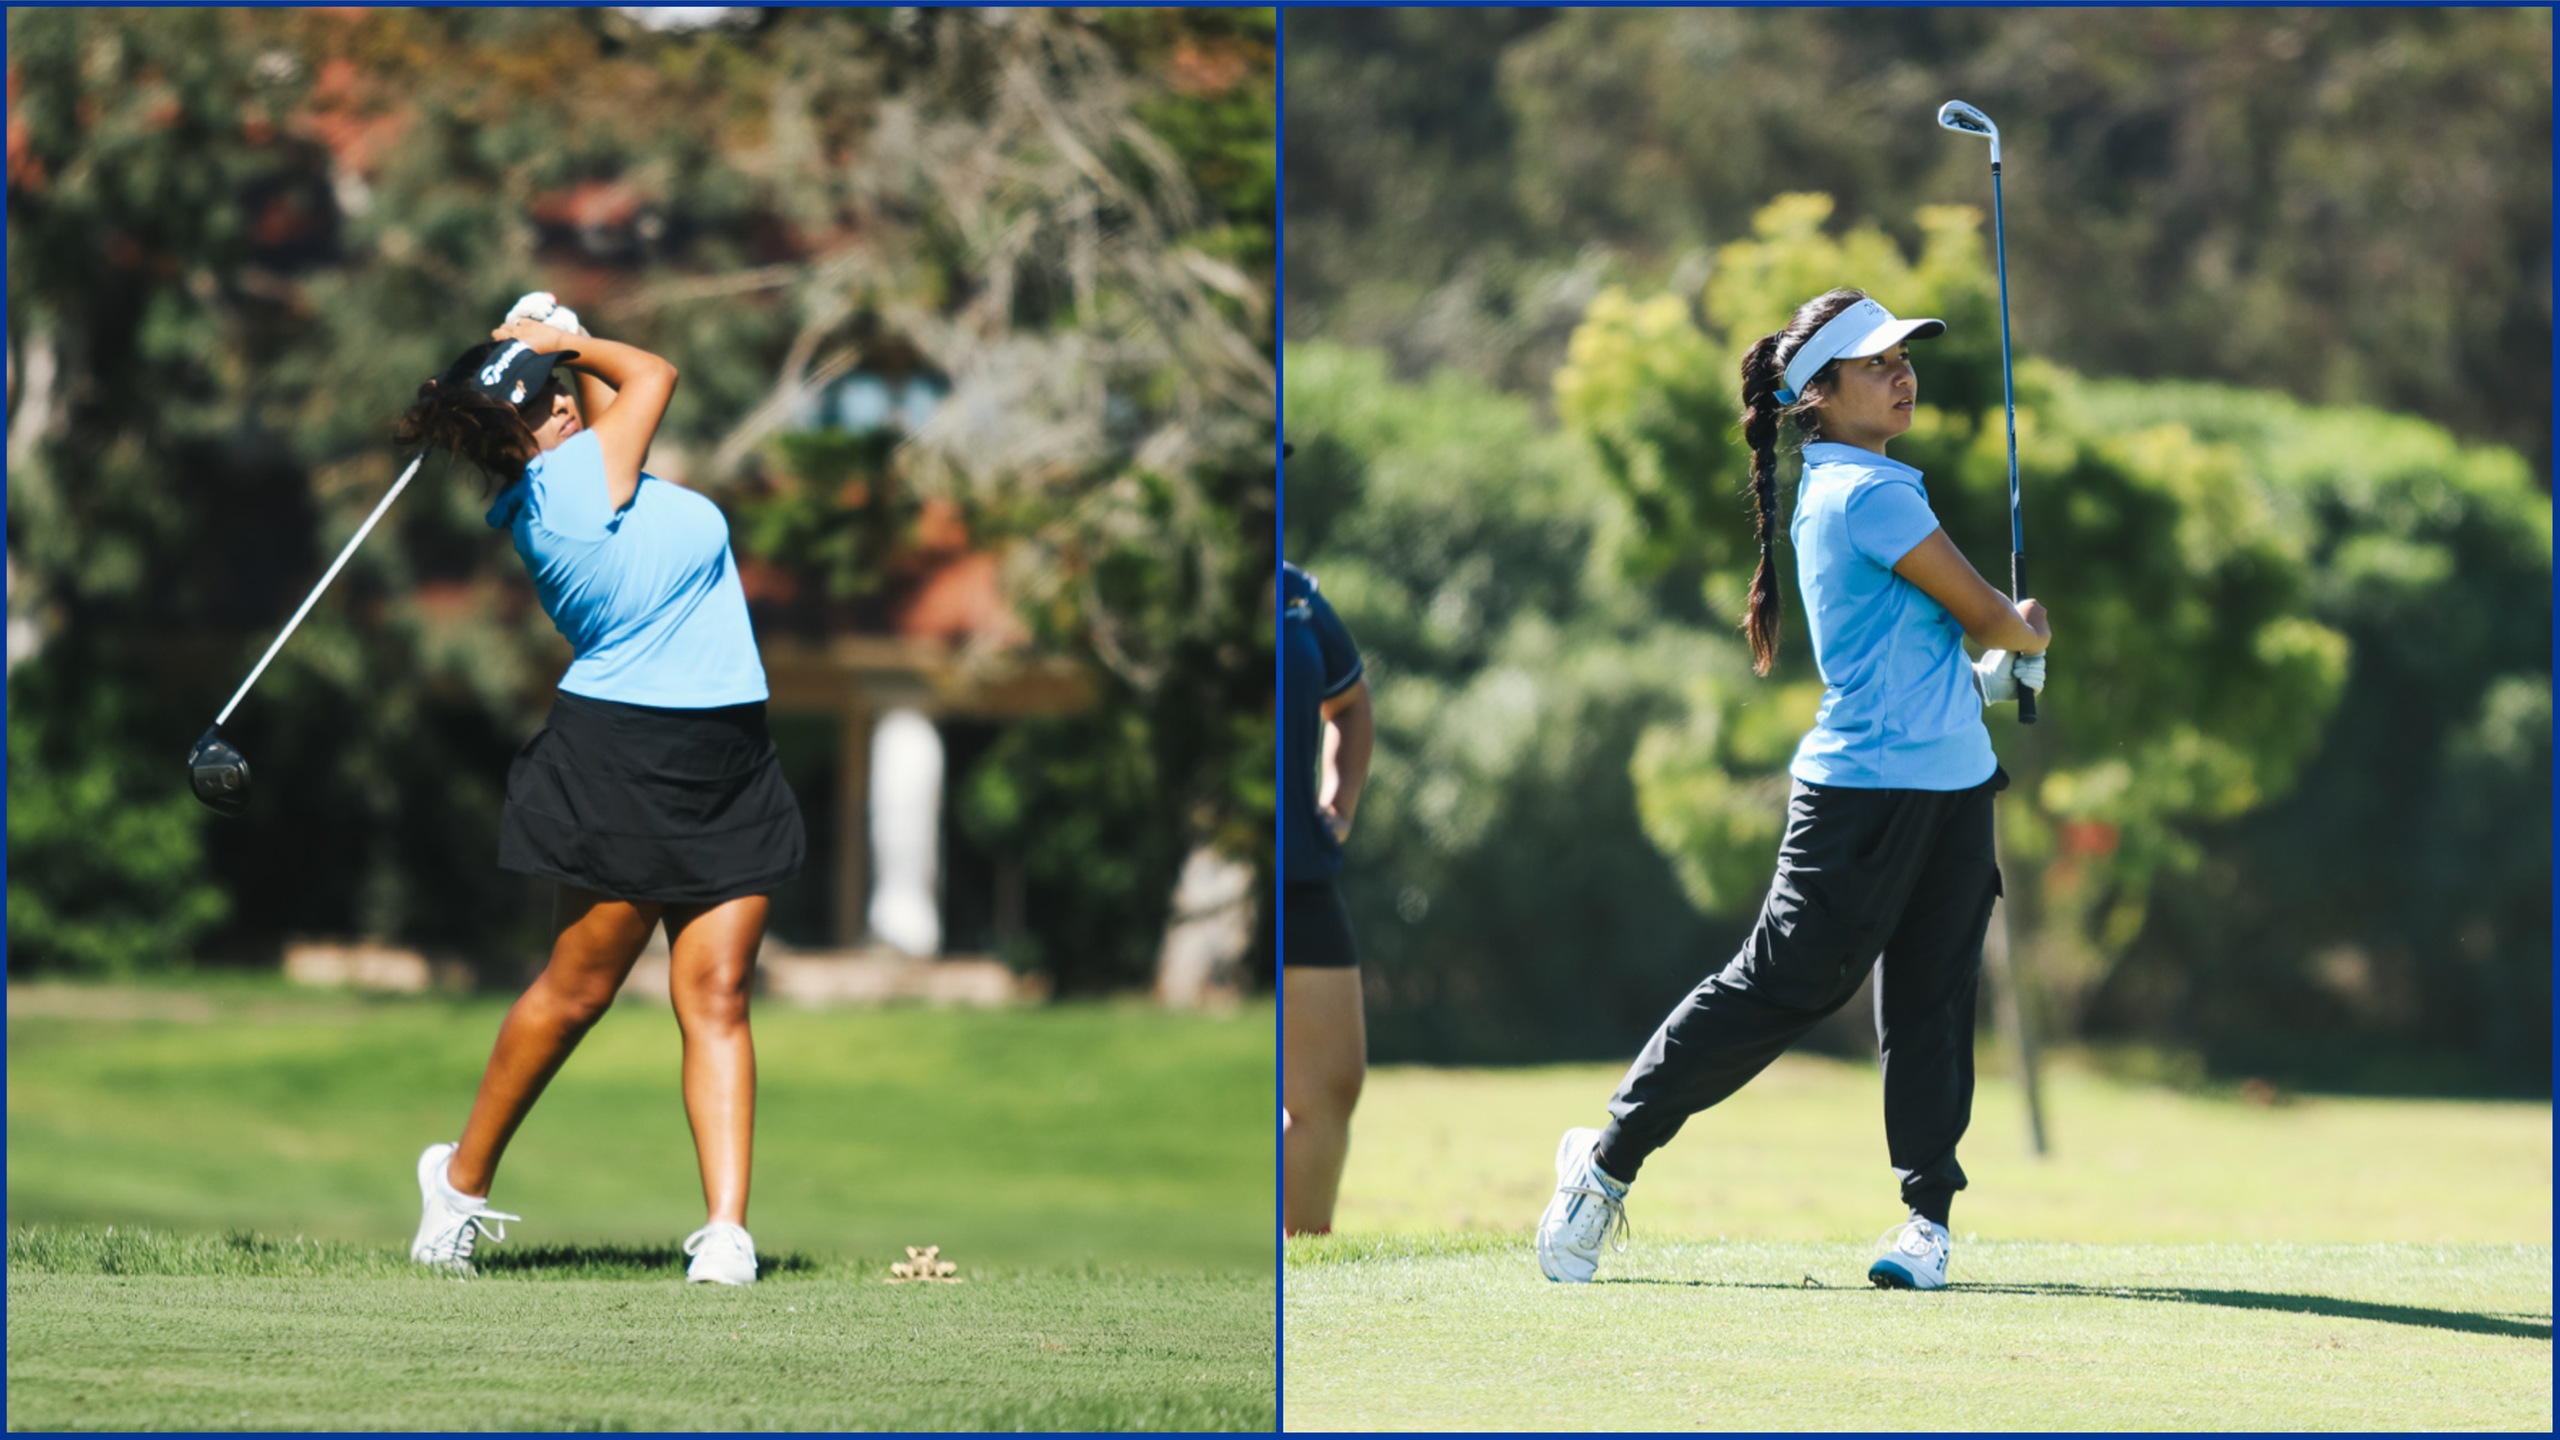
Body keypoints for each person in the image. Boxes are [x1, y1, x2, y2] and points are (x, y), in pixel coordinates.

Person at [1534, 288, 2049, 1290]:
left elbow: (1933, 652)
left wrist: (1993, 673)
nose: (1901, 374)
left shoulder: (1860, 485)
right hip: (1860, 800)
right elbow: (1990, 617)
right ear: (1817, 394)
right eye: (1875, 364)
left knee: (1932, 1003)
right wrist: (2024, 636)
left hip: (1949, 784)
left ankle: (1923, 1222)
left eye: (1904, 357)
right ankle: (1603, 1163)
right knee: (1783, 986)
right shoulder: (1868, 494)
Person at [394, 296, 805, 1285]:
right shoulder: (569, 487)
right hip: (625, 757)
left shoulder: (574, 478)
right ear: (515, 439)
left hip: (725, 752)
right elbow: (652, 375)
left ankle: (725, 1231)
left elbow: (611, 403)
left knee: (717, 994)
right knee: (579, 991)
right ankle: (457, 1185)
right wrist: (566, 339)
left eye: (559, 396)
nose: (563, 408)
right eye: (540, 404)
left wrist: (552, 341)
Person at [1280, 518, 1375, 1237]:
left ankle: (1300, 1265)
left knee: (1331, 1082)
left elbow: (1349, 702)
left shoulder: (1298, 596)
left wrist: (1338, 807)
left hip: (1301, 870)